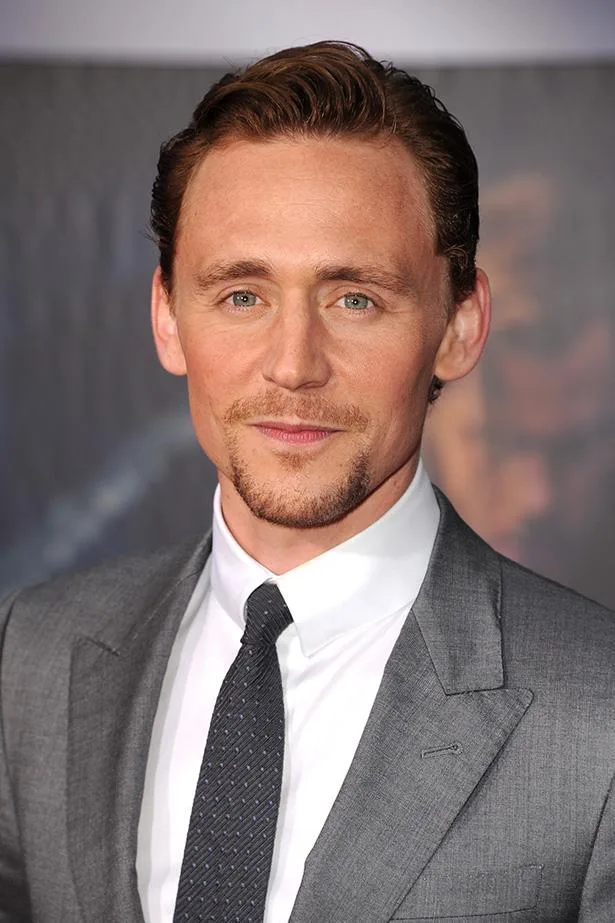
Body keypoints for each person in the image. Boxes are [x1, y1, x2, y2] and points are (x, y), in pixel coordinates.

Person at [1, 41, 614, 923]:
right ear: (167, 317)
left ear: (460, 325)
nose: (292, 367)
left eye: (352, 298)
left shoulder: (595, 716)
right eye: (242, 295)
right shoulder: (31, 656)